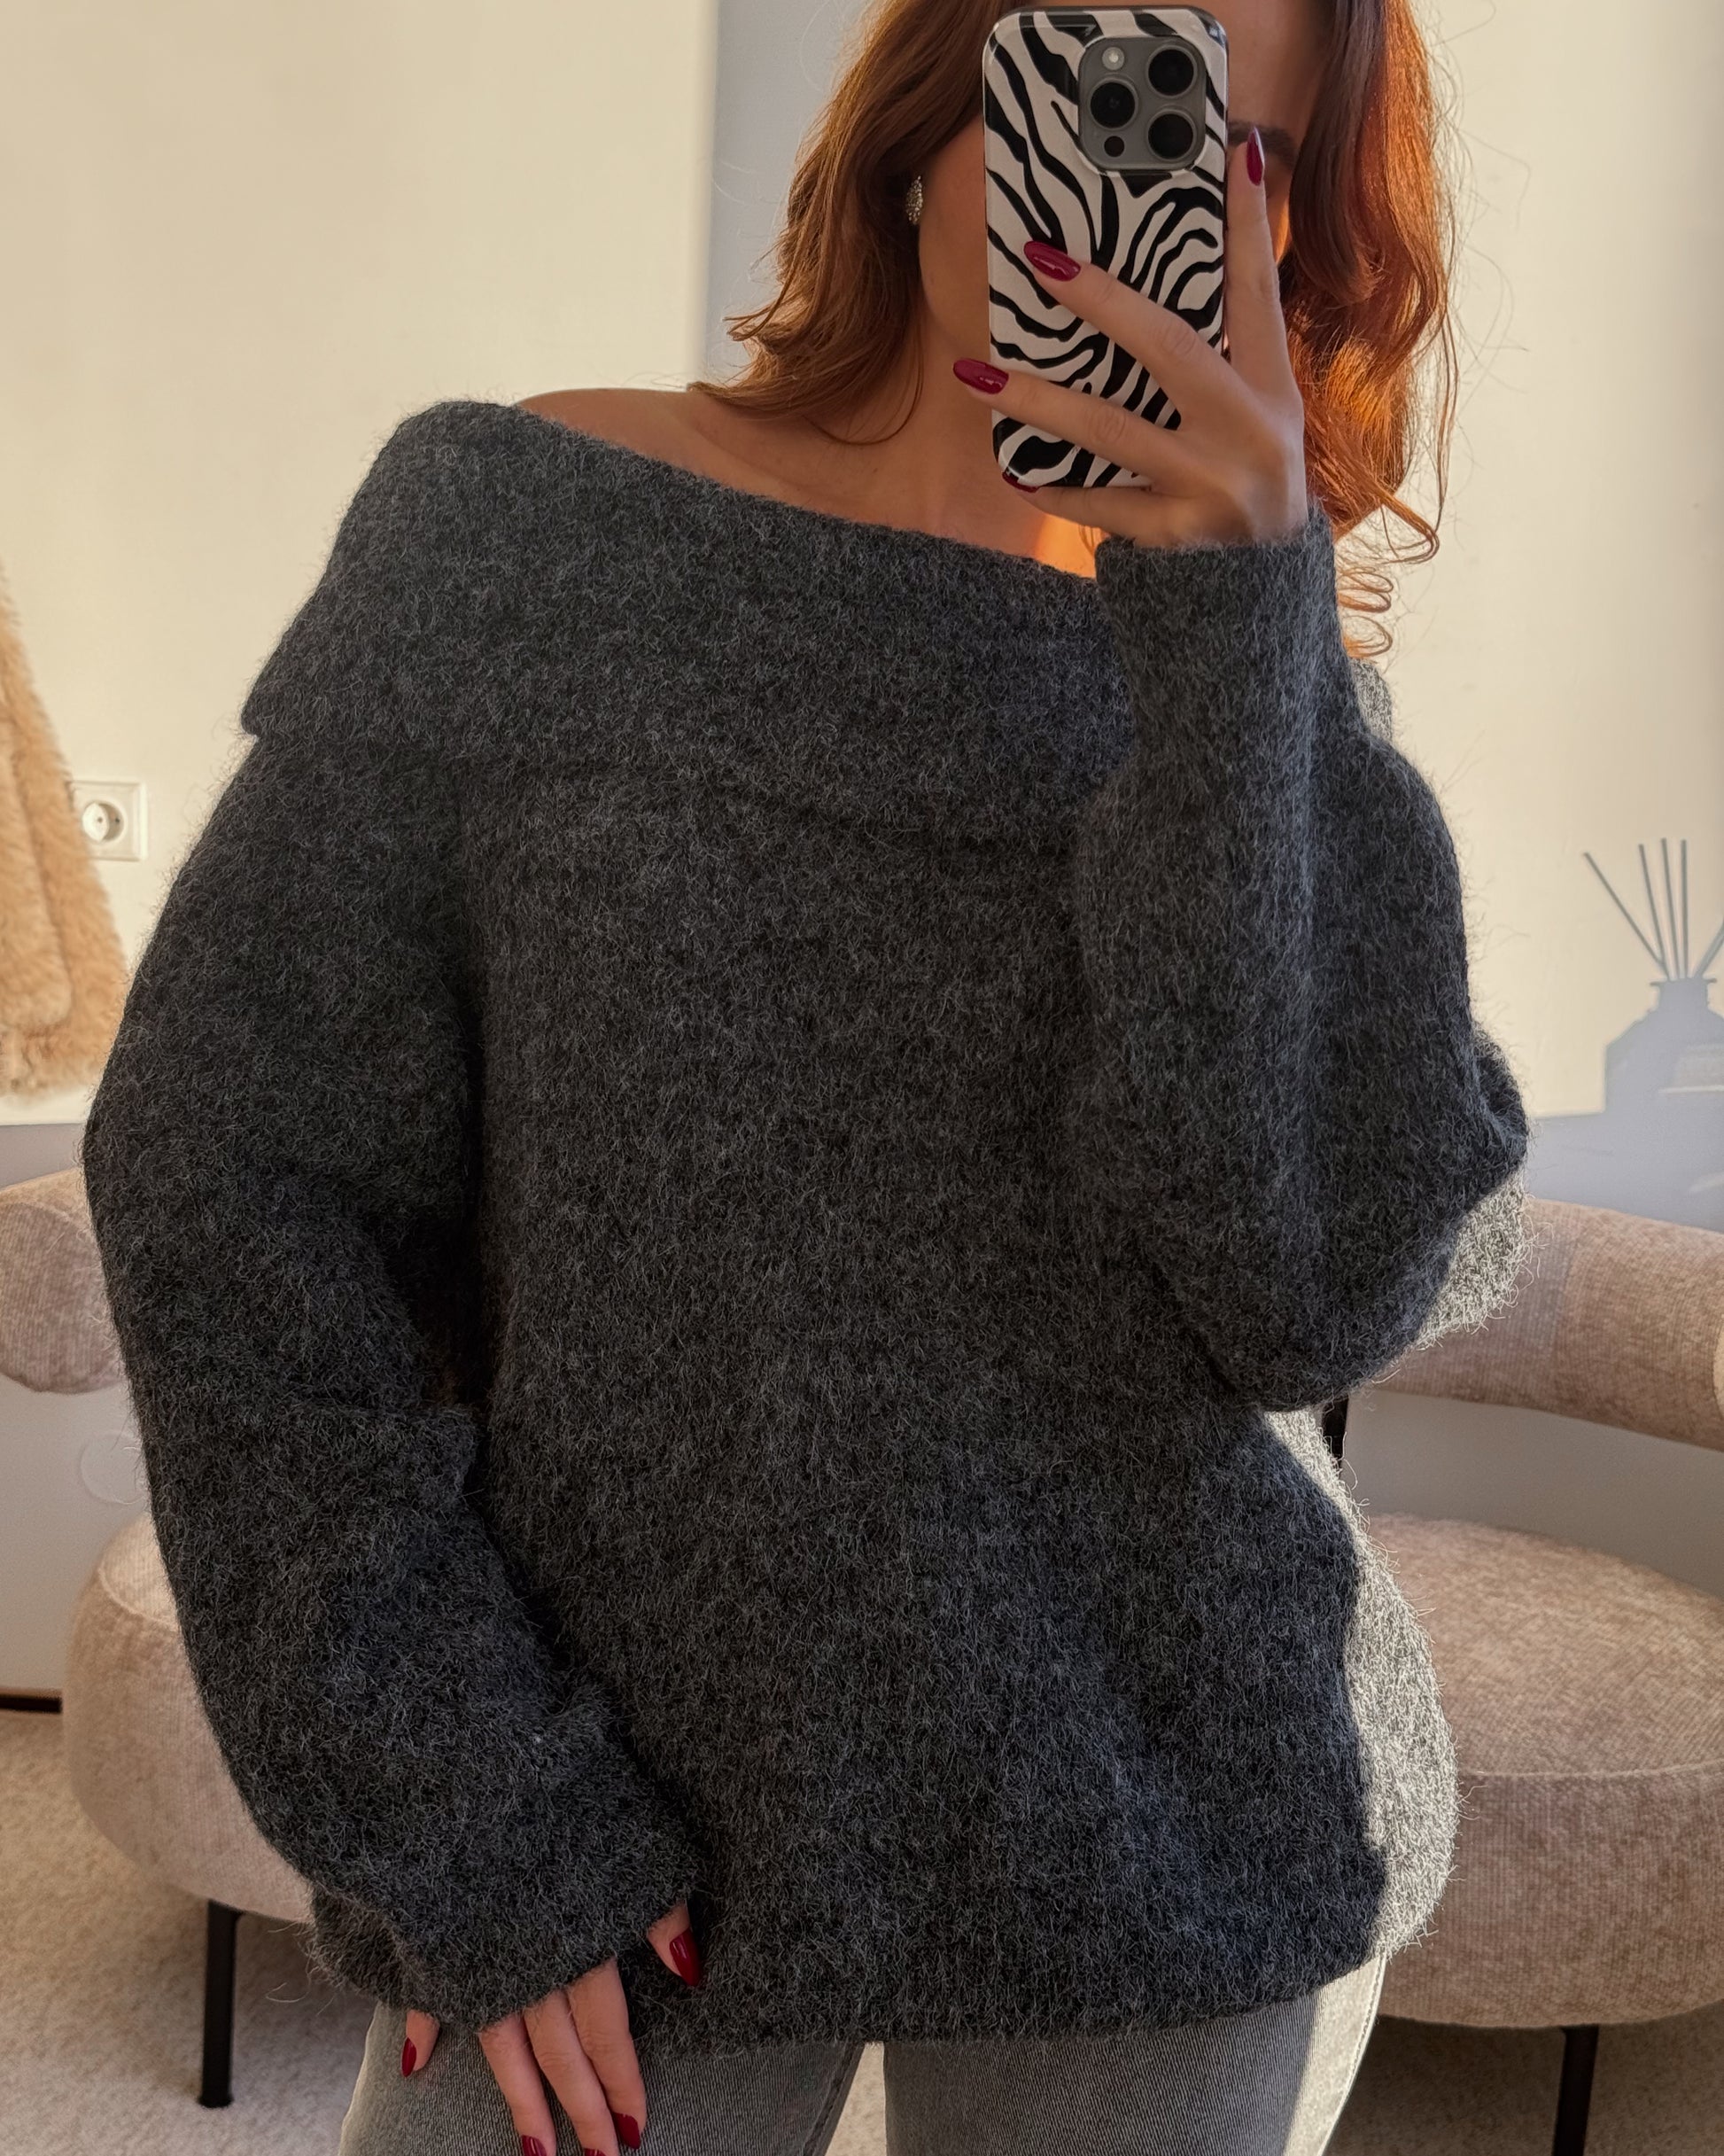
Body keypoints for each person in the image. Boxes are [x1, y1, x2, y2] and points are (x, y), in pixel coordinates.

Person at [77, 0, 1533, 2151]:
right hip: (608, 1803)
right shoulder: (525, 529)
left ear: (1287, 241)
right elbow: (227, 1178)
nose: (1118, 191)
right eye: (1091, 72)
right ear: (940, 106)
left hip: (1177, 1828)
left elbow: (1306, 1294)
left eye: (1215, 150)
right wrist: (456, 1798)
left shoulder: (1268, 706)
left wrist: (1240, 643)